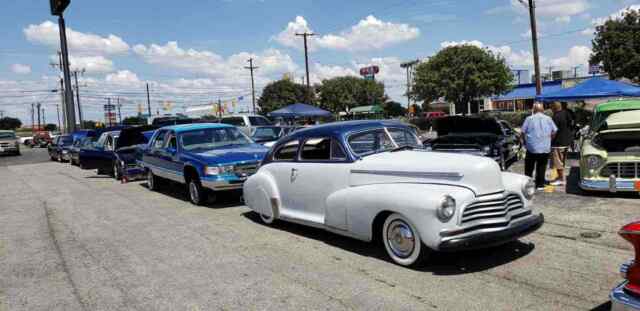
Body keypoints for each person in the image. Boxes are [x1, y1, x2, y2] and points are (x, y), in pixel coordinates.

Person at [521, 103, 557, 190]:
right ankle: (540, 184)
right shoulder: (548, 119)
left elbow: (522, 132)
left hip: (531, 147)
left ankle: (528, 183)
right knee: (542, 166)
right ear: (542, 110)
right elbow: (555, 131)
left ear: (534, 110)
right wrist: (550, 139)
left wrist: (524, 142)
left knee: (529, 167)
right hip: (545, 147)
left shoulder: (529, 119)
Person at [550, 102, 573, 186]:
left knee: (558, 162)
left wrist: (550, 139)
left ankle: (561, 179)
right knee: (562, 161)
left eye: (551, 107)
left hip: (558, 142)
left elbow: (554, 131)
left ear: (554, 107)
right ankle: (560, 177)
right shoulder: (567, 113)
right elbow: (571, 124)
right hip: (566, 141)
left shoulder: (556, 116)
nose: (550, 109)